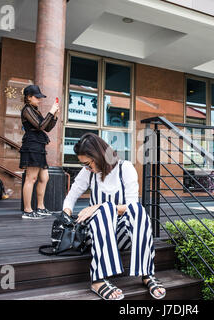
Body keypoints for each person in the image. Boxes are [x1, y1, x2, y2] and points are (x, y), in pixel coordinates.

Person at [62, 133, 166, 300]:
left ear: (98, 156)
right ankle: (98, 280)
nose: (87, 168)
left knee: (139, 211)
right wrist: (66, 217)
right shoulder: (87, 173)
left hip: (120, 236)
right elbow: (71, 197)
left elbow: (131, 206)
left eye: (88, 164)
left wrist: (100, 206)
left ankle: (146, 273)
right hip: (95, 235)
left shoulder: (125, 168)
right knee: (103, 214)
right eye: (84, 165)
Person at [19, 85, 59, 220]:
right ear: (28, 97)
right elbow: (41, 126)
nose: (39, 99)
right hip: (32, 145)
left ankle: (40, 207)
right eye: (37, 97)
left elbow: (47, 127)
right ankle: (27, 210)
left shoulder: (34, 110)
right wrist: (51, 111)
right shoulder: (27, 110)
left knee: (44, 178)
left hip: (39, 146)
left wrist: (54, 116)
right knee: (32, 178)